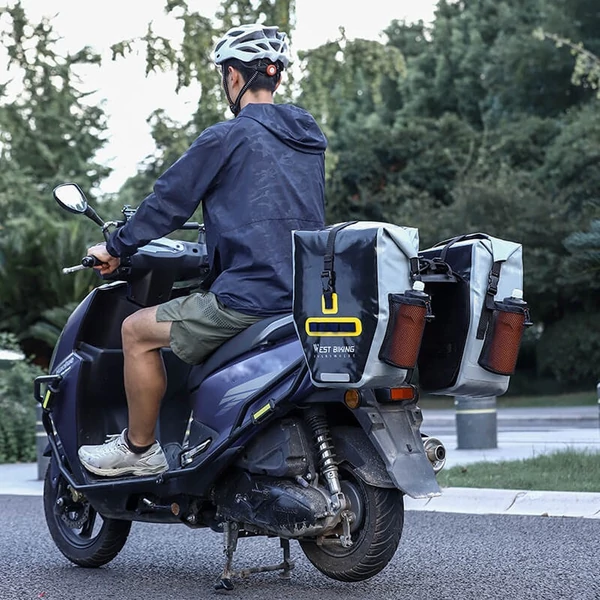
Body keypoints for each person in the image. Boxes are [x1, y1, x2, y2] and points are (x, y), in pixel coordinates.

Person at [77, 23, 327, 477]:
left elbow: (168, 204)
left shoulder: (226, 137)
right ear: (277, 77)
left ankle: (140, 449)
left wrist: (115, 246)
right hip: (304, 296)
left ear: (234, 77)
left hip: (249, 297)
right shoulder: (307, 139)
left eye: (224, 74)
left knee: (135, 331)